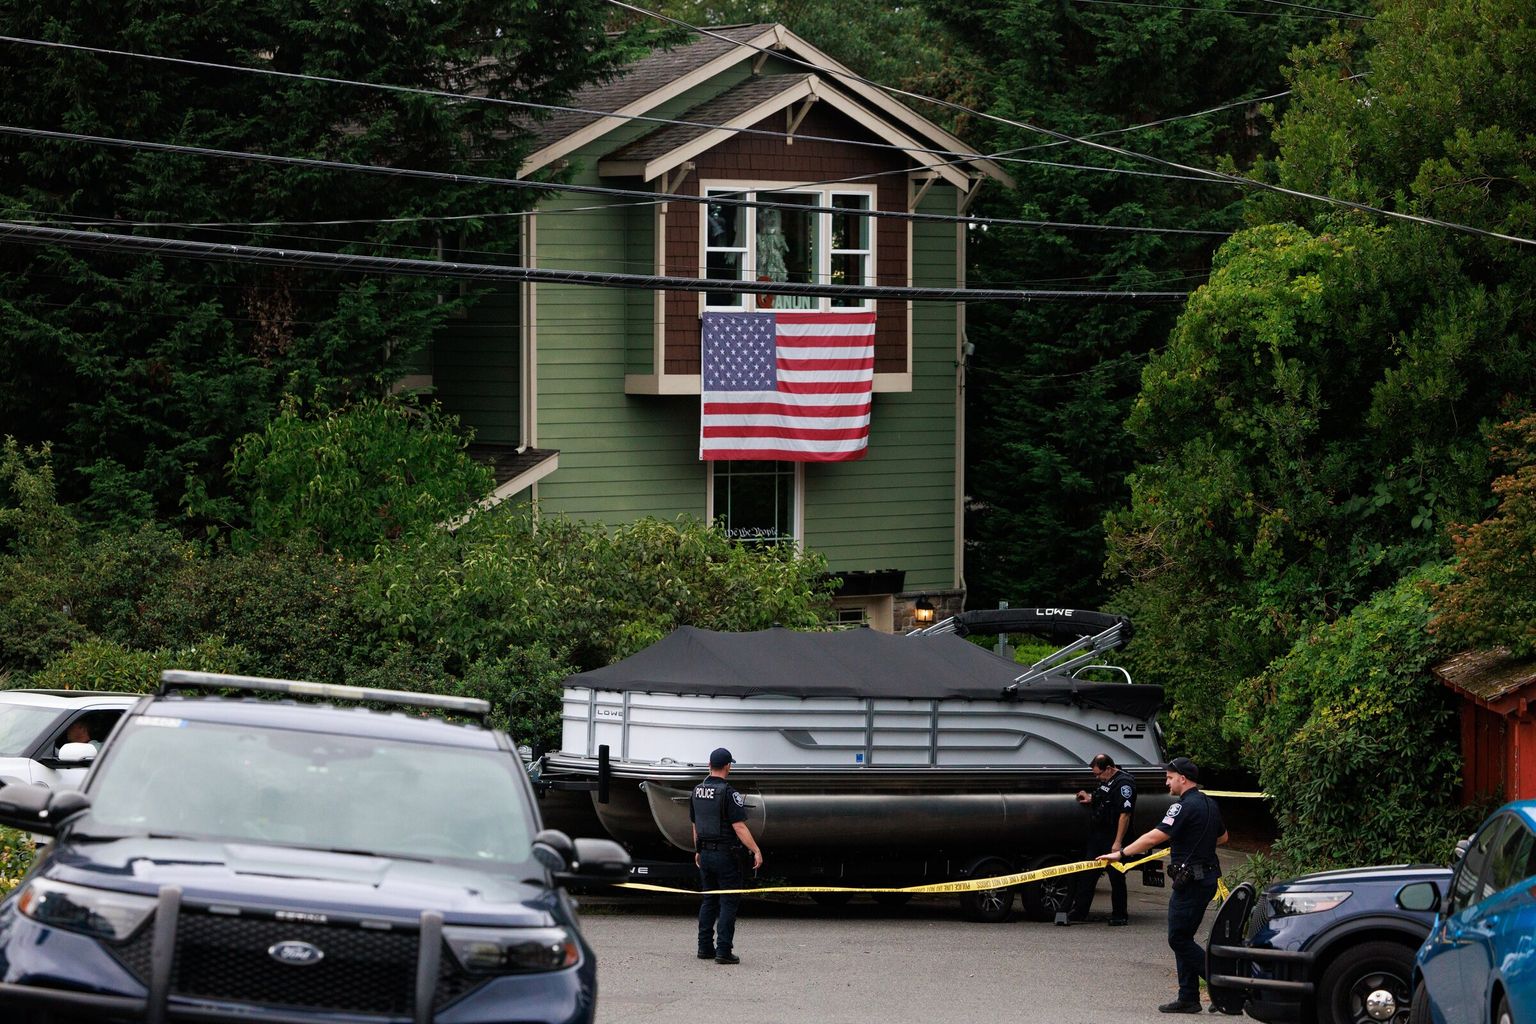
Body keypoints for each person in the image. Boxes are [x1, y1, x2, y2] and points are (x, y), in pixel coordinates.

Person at [1098, 756, 1227, 1014]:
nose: (1166, 782)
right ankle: (1188, 997)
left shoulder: (1181, 807)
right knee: (1184, 936)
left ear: (1183, 778)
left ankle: (1223, 985)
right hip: (1206, 879)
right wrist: (1195, 845)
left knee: (1177, 939)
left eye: (1169, 778)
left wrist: (1121, 853)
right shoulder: (1210, 804)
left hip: (1191, 883)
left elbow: (1154, 837)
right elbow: (1223, 837)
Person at [690, 747, 763, 965]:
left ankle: (704, 947)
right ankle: (723, 950)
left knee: (709, 900)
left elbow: (695, 825)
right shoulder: (730, 793)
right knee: (728, 902)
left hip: (705, 853)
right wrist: (756, 849)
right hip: (726, 856)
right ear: (728, 766)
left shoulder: (697, 791)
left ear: (709, 765)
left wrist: (697, 850)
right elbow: (739, 827)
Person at [1068, 753, 1135, 925]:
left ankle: (1120, 915)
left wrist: (1118, 843)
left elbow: (1124, 815)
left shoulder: (1124, 784)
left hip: (1113, 837)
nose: (1097, 777)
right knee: (1088, 873)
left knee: (1116, 877)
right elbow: (1104, 798)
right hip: (1098, 834)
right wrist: (1090, 798)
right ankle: (1079, 912)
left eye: (1099, 774)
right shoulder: (1107, 781)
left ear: (1109, 768)